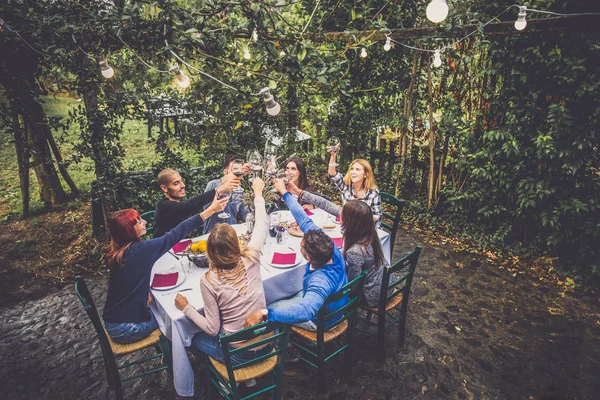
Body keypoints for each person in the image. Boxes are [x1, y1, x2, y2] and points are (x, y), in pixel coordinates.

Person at [102, 196, 228, 344]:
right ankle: (187, 352)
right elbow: (175, 234)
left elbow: (129, 279)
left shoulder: (119, 251)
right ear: (129, 230)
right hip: (127, 328)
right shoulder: (141, 251)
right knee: (176, 318)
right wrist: (210, 210)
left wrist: (145, 290)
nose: (145, 223)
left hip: (114, 320)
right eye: (139, 222)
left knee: (166, 309)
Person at [174, 178, 272, 367]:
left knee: (190, 338)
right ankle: (246, 377)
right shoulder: (252, 256)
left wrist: (187, 308)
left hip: (238, 355)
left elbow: (212, 329)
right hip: (267, 343)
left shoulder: (209, 281)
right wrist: (258, 194)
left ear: (209, 251)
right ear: (237, 244)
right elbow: (261, 224)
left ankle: (226, 379)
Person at [244, 178, 348, 331]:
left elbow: (305, 311)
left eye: (302, 245)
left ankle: (279, 345)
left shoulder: (320, 281)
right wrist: (285, 193)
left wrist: (265, 313)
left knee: (269, 304)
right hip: (332, 306)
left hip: (322, 321)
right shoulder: (330, 247)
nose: (301, 243)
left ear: (308, 258)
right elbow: (303, 218)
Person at [285, 181, 386, 307]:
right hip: (384, 283)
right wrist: (299, 192)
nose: (339, 212)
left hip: (371, 295)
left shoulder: (355, 252)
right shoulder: (368, 231)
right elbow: (326, 204)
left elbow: (350, 286)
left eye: (342, 213)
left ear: (350, 222)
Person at [153, 169, 239, 237]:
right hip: (164, 253)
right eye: (176, 183)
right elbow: (188, 206)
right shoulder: (163, 206)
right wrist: (217, 191)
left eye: (181, 181)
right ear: (164, 188)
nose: (183, 185)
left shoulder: (177, 202)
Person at [202, 155, 252, 234]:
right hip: (212, 235)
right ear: (225, 172)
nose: (239, 172)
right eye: (235, 169)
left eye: (240, 169)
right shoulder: (213, 184)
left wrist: (252, 218)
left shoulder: (239, 190)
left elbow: (244, 212)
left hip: (231, 235)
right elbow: (205, 205)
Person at [327, 151, 382, 223]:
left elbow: (377, 215)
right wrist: (333, 155)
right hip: (348, 226)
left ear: (366, 175)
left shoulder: (373, 193)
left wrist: (364, 221)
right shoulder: (345, 185)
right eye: (352, 169)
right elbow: (332, 174)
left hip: (366, 229)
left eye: (357, 169)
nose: (353, 172)